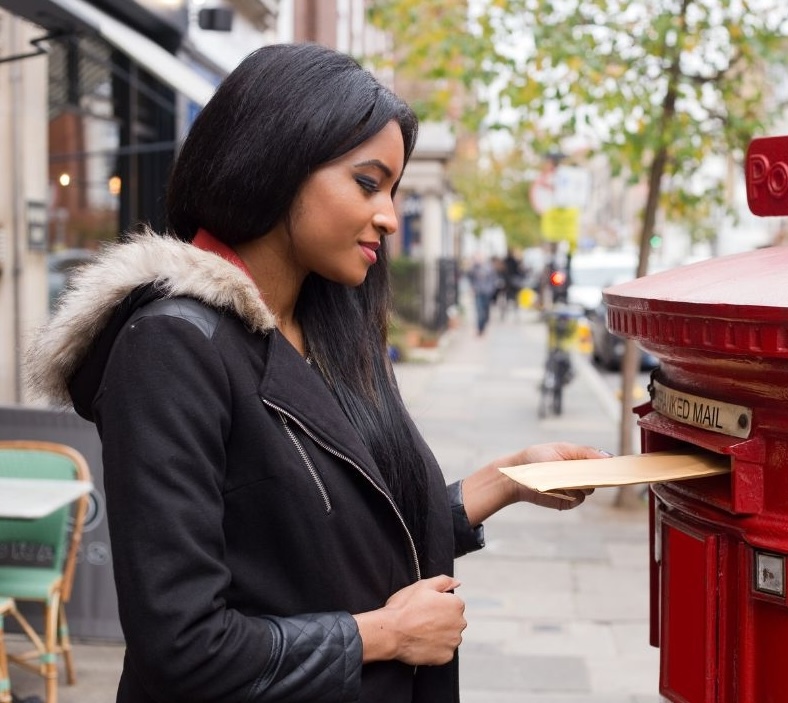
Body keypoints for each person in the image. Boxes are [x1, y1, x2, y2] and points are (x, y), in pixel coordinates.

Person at [25, 43, 604, 703]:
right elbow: (181, 643)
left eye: (393, 189)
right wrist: (381, 634)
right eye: (367, 181)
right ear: (277, 161)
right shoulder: (171, 345)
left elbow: (342, 538)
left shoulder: (325, 328)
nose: (387, 216)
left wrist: (509, 478)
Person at [467, 253, 498, 335]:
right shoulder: (473, 269)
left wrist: (491, 289)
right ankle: (480, 328)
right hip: (478, 292)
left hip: (487, 292)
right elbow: (470, 279)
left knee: (486, 309)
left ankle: (484, 323)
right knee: (479, 310)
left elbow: (493, 279)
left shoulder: (489, 268)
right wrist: (472, 288)